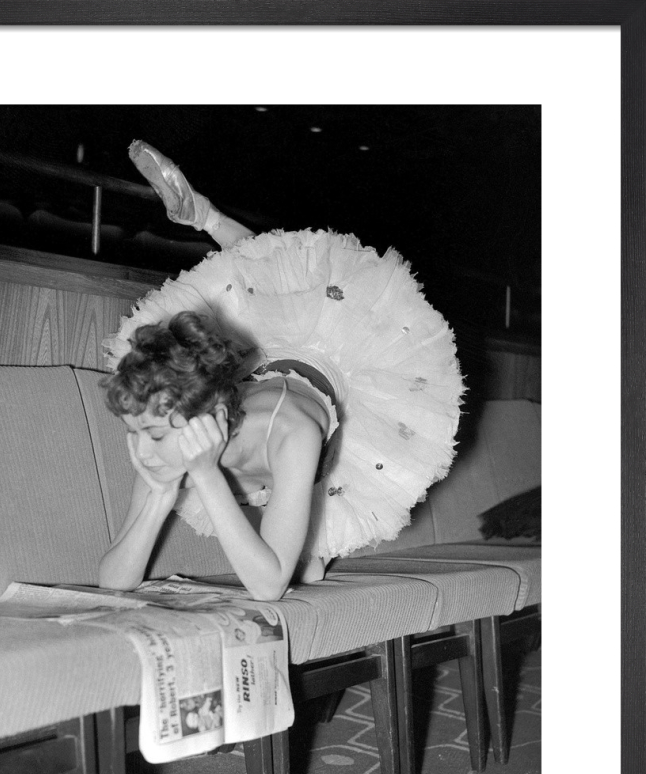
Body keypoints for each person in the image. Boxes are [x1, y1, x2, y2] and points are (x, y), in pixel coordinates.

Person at [98, 141, 464, 602]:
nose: (140, 450)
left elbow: (268, 587)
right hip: (256, 384)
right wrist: (157, 500)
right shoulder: (168, 419)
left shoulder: (294, 434)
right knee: (303, 568)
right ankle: (203, 217)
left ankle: (206, 216)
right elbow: (113, 582)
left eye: (148, 434)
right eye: (136, 432)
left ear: (204, 419)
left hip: (329, 368)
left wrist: (208, 478)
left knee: (287, 280)